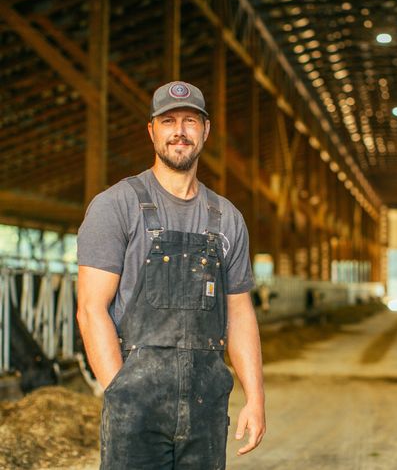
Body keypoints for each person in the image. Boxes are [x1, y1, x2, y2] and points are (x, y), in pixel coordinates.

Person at [76, 81, 266, 469]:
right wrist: (120, 392)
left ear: (205, 131)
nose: (179, 130)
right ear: (152, 131)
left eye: (190, 121)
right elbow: (91, 310)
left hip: (205, 406)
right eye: (168, 121)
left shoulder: (227, 217)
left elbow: (240, 313)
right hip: (136, 404)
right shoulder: (116, 206)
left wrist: (255, 397)